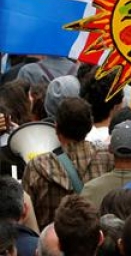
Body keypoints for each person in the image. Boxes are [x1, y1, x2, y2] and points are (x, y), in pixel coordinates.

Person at [23, 97, 113, 228]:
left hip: (51, 243)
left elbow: (26, 213)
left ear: (56, 128)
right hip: (94, 242)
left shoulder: (36, 167)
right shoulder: (107, 157)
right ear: (89, 126)